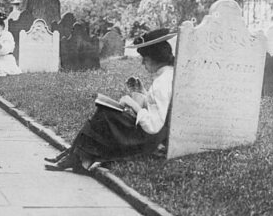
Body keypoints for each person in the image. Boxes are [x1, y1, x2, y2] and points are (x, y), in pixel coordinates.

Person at [44, 28, 177, 172]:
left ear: (153, 58)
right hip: (154, 136)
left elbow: (153, 125)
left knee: (105, 114)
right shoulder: (167, 76)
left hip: (149, 141)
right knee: (105, 113)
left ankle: (77, 157)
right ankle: (76, 156)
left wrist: (132, 103)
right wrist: (140, 92)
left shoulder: (161, 83)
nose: (143, 64)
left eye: (144, 60)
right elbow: (156, 107)